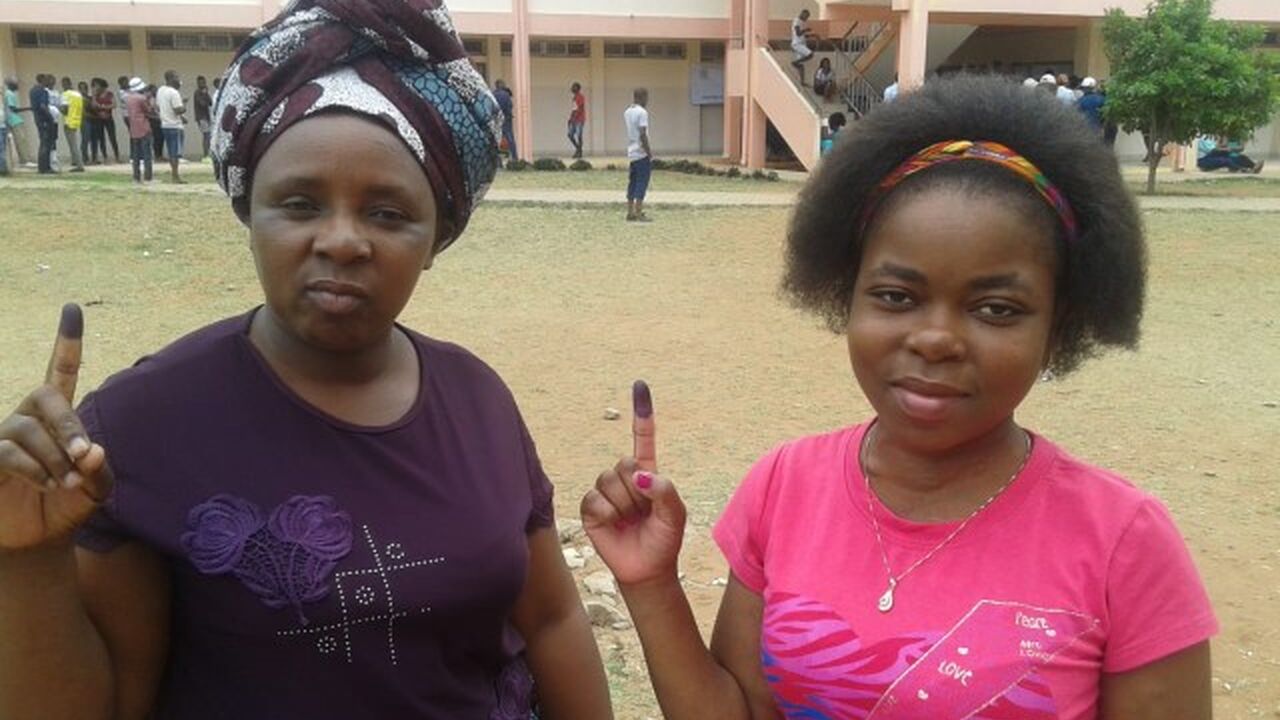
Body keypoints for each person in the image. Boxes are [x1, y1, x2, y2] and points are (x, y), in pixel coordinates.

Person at [0, 1, 612, 719]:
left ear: (437, 234)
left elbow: (550, 622)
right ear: (248, 211)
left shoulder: (477, 399)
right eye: (298, 204)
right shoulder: (140, 425)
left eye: (388, 213)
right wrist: (25, 564)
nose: (343, 241)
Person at [582, 76, 1216, 720]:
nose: (936, 338)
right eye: (896, 296)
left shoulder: (1124, 542)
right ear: (844, 295)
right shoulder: (785, 486)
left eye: (996, 308)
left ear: (1059, 327)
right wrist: (651, 586)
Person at [624, 87, 652, 222]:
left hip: (631, 152)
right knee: (642, 182)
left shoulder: (627, 111)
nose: (647, 100)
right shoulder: (642, 113)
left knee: (632, 182)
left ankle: (630, 212)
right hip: (641, 153)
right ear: (642, 97)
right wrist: (649, 152)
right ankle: (639, 212)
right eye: (646, 97)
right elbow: (642, 134)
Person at [156, 70, 187, 183]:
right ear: (170, 79)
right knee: (175, 152)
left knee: (171, 151)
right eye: (176, 77)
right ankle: (175, 176)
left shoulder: (160, 90)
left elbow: (159, 106)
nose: (179, 80)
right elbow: (178, 110)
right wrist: (184, 106)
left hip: (165, 125)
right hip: (175, 126)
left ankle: (175, 174)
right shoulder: (174, 93)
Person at [124, 77, 154, 183]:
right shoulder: (142, 98)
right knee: (147, 154)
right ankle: (148, 177)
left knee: (136, 155)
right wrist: (149, 99)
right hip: (144, 127)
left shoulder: (127, 98)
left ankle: (136, 177)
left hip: (133, 129)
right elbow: (148, 110)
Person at [30, 73, 57, 173]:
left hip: (38, 119)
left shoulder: (32, 90)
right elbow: (43, 106)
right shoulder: (43, 91)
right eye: (47, 80)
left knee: (43, 143)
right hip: (45, 120)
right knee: (46, 144)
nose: (49, 82)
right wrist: (50, 118)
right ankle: (45, 168)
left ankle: (42, 167)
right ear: (43, 80)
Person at [59, 76, 86, 172]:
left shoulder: (65, 94)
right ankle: (75, 162)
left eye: (63, 84)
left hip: (68, 121)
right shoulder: (78, 94)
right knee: (74, 143)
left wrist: (58, 107)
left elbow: (64, 110)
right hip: (77, 120)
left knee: (73, 145)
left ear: (64, 84)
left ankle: (79, 165)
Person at [1196, 135, 1264, 174]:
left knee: (1237, 157)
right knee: (1226, 160)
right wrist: (1228, 149)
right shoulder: (1203, 137)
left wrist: (1228, 148)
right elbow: (1213, 149)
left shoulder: (1211, 135)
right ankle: (1243, 170)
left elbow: (1218, 146)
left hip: (1212, 155)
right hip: (1203, 159)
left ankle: (1254, 166)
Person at [5, 77, 32, 169]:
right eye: (16, 83)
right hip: (14, 119)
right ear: (11, 84)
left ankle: (25, 160)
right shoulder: (9, 94)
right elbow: (13, 109)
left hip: (16, 119)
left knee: (22, 140)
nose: (18, 85)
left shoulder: (12, 94)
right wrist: (28, 108)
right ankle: (25, 160)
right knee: (21, 140)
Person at [790, 9, 816, 86]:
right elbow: (798, 33)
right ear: (803, 13)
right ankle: (795, 62)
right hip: (797, 44)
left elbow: (802, 35)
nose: (806, 18)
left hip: (801, 44)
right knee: (810, 54)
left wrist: (813, 35)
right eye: (806, 16)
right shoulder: (797, 21)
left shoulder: (802, 22)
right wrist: (806, 30)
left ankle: (802, 82)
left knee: (801, 65)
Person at [493, 79, 516, 161]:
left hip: (496, 119)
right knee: (510, 138)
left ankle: (497, 160)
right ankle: (514, 158)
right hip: (506, 119)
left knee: (496, 139)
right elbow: (510, 106)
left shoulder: (493, 94)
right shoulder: (506, 95)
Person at [194, 75, 213, 160]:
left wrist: (206, 93)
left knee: (208, 136)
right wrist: (204, 94)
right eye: (201, 82)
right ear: (197, 83)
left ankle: (207, 155)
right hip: (201, 117)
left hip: (206, 117)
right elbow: (202, 104)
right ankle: (205, 156)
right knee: (206, 135)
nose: (203, 84)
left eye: (204, 82)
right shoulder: (197, 92)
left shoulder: (205, 92)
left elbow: (210, 103)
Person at [566, 81, 586, 159]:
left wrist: (575, 118)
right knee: (570, 134)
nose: (572, 88)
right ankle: (578, 148)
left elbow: (580, 108)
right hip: (574, 119)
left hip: (580, 120)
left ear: (578, 88)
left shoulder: (581, 97)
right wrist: (570, 118)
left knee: (579, 135)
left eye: (574, 87)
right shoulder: (574, 98)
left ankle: (579, 152)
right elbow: (574, 109)